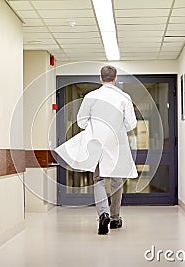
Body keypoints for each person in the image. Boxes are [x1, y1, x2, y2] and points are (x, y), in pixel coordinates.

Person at [55, 65, 138, 235]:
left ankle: (103, 214)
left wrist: (95, 126)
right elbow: (131, 124)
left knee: (99, 179)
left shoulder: (91, 96)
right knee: (116, 182)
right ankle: (115, 218)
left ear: (101, 78)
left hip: (97, 143)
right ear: (115, 79)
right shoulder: (124, 97)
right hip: (116, 143)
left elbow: (81, 122)